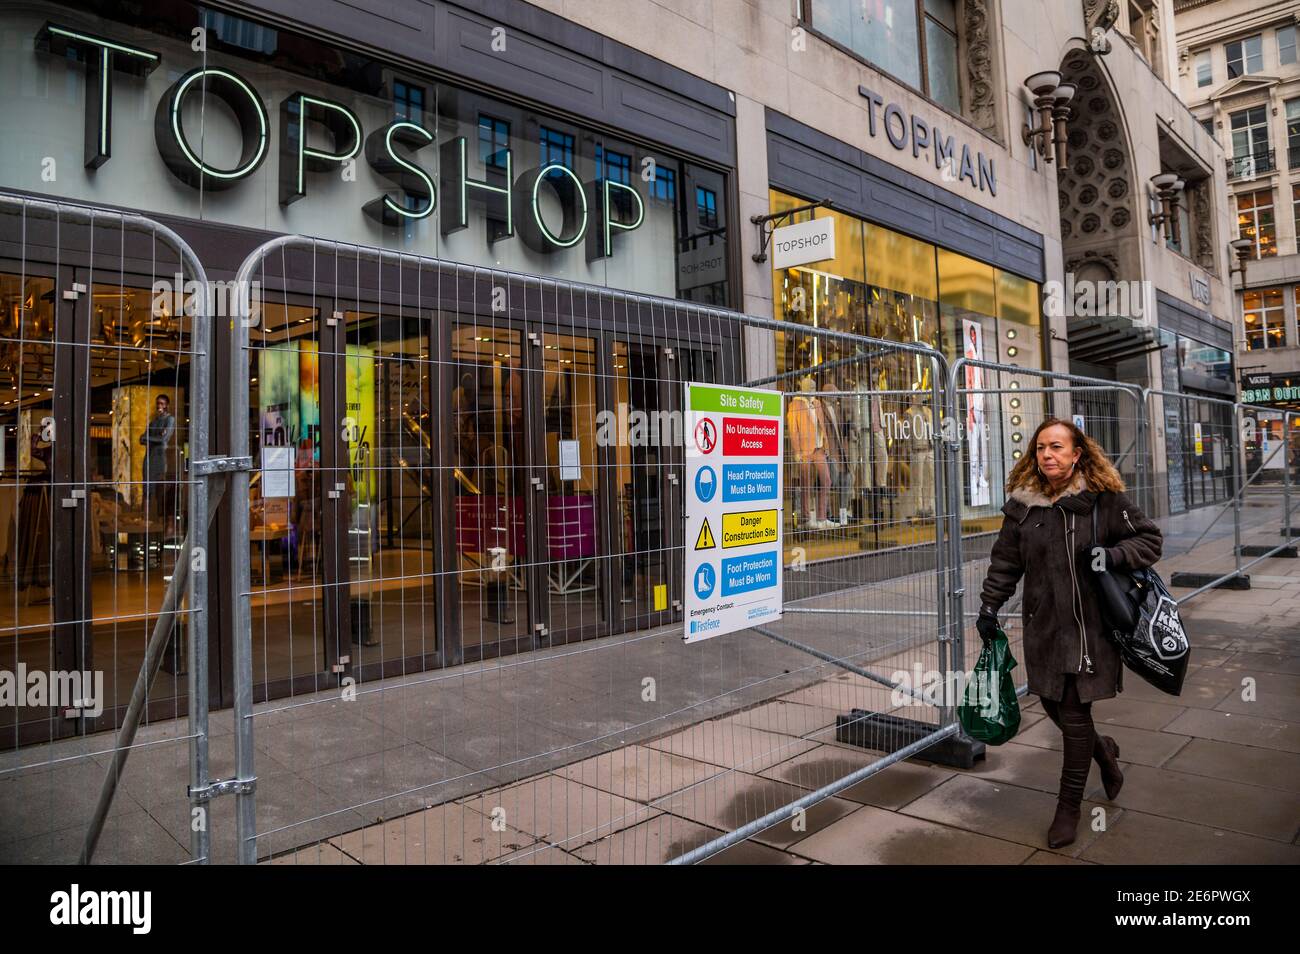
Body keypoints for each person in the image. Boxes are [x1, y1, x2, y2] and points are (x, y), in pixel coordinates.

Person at [976, 417, 1163, 850]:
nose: (1048, 455)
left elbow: (1150, 541)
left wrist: (1113, 553)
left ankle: (1068, 808)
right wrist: (990, 606)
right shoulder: (1022, 507)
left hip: (1090, 629)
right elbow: (1005, 562)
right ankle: (1106, 754)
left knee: (1074, 717)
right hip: (1043, 628)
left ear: (1077, 453)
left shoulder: (1104, 502)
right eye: (1041, 447)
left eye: (1057, 447)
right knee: (1056, 709)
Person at [139, 393, 175, 519]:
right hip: (149, 458)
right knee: (146, 489)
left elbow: (164, 439)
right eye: (157, 403)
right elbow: (141, 439)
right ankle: (146, 519)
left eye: (162, 403)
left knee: (159, 489)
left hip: (160, 458)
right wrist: (153, 438)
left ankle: (157, 519)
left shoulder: (169, 420)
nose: (159, 406)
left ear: (167, 405)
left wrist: (148, 438)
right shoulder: (153, 422)